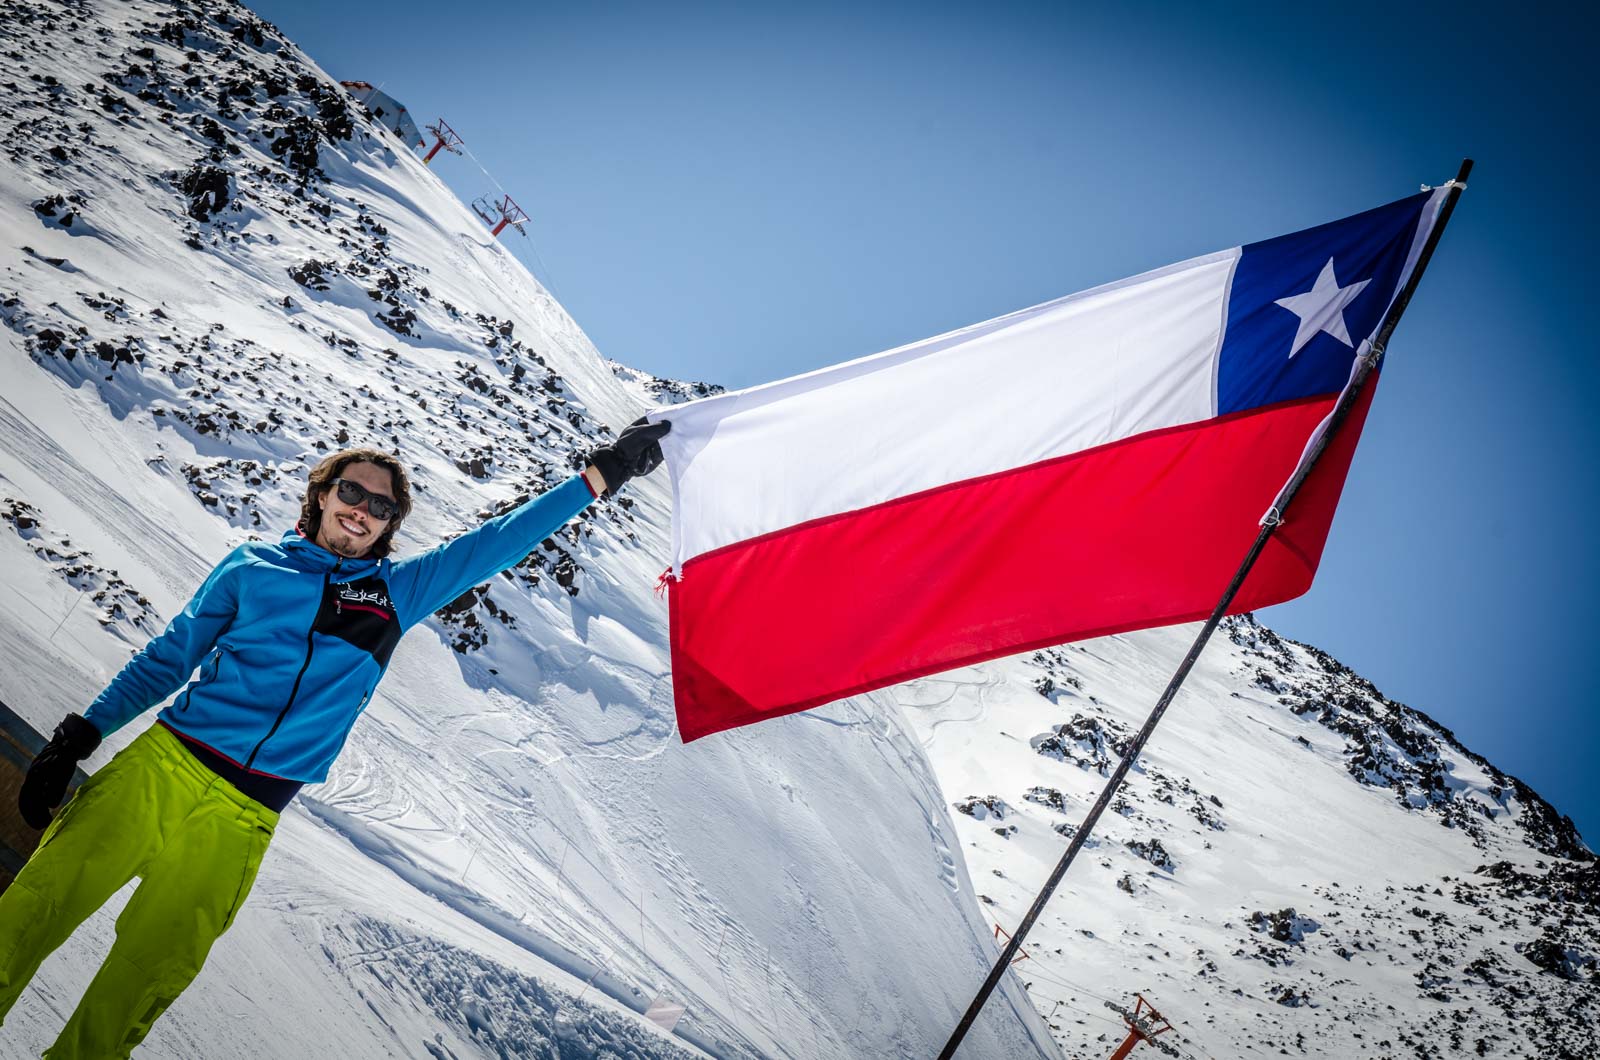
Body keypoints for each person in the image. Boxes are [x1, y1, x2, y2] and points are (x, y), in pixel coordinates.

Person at [0, 418, 670, 1057]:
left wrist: (602, 474)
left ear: (389, 525)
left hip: (244, 819)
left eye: (380, 507)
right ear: (320, 496)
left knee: (137, 990)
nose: (363, 510)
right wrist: (76, 738)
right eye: (350, 491)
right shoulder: (253, 569)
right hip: (160, 771)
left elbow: (497, 539)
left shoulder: (397, 594)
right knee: (27, 917)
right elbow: (169, 659)